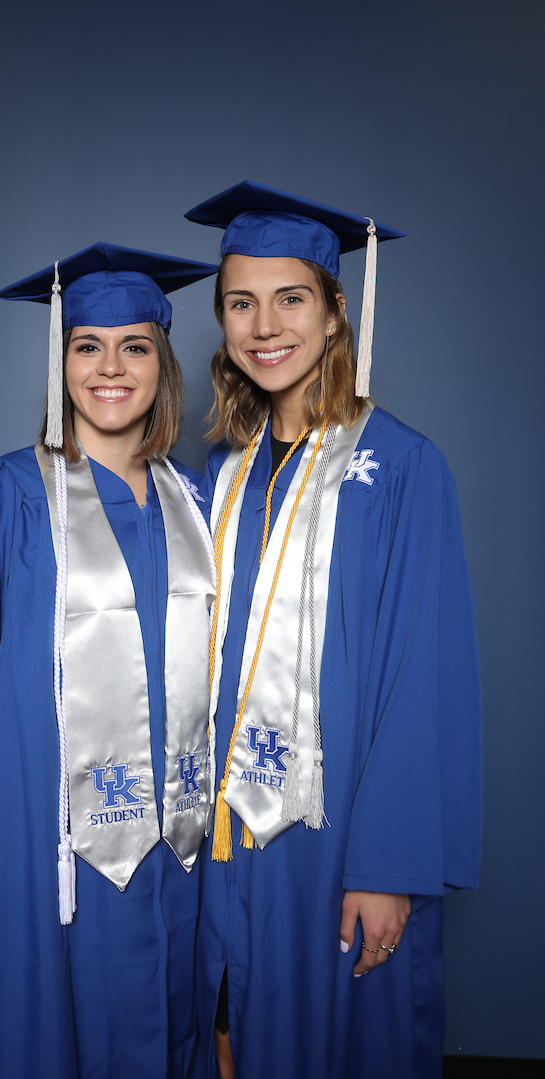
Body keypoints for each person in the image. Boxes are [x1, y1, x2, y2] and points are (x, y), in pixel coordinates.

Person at [0, 242, 218, 1079]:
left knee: (170, 1014)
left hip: (176, 842)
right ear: (61, 363)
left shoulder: (200, 502)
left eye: (135, 347)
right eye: (87, 346)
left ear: (163, 365)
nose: (111, 368)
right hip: (41, 842)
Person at [183, 182, 482, 1079]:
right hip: (219, 833)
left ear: (335, 311)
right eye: (242, 303)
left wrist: (389, 864)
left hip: (337, 832)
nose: (265, 325)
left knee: (334, 1035)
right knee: (223, 1012)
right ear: (222, 320)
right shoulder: (220, 476)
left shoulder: (401, 468)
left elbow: (422, 673)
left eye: (291, 298)